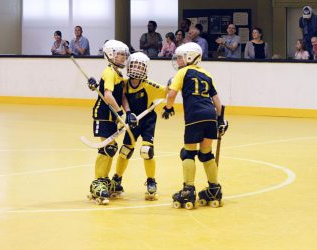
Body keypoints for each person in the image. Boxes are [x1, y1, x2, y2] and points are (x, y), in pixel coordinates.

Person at [161, 42, 228, 209]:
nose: (178, 61)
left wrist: (168, 108)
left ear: (189, 57)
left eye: (180, 57)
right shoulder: (207, 74)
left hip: (194, 116)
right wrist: (221, 121)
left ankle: (188, 190)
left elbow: (171, 94)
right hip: (211, 115)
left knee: (188, 153)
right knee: (206, 154)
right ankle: (214, 188)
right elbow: (218, 104)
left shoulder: (182, 72)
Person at [110, 52, 168, 200]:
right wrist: (128, 112)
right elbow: (119, 95)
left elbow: (167, 91)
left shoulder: (149, 86)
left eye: (140, 66)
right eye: (134, 65)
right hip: (132, 121)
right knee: (125, 151)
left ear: (145, 69)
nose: (136, 69)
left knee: (146, 150)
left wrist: (172, 83)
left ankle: (151, 181)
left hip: (147, 121)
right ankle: (117, 180)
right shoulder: (124, 83)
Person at [87, 40, 130, 205]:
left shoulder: (118, 73)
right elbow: (108, 96)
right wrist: (120, 113)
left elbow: (122, 96)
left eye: (123, 54)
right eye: (119, 54)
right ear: (111, 54)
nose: (123, 57)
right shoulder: (109, 72)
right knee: (106, 148)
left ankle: (104, 179)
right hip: (103, 115)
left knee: (111, 148)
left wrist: (127, 113)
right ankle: (97, 182)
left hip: (113, 116)